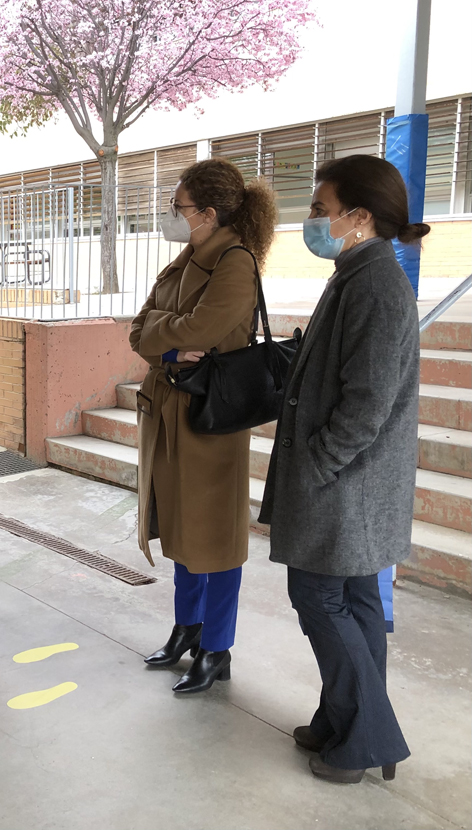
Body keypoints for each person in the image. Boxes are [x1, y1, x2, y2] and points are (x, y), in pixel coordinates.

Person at [259, 154, 427, 784]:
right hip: (349, 483)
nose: (312, 221)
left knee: (320, 597)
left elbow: (369, 402)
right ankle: (345, 721)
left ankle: (364, 736)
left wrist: (322, 464)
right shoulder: (358, 272)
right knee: (353, 602)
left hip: (347, 485)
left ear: (359, 217)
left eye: (320, 210)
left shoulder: (376, 284)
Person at [129, 159, 278, 693]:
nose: (173, 215)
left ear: (208, 213)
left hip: (209, 417)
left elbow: (203, 330)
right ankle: (186, 628)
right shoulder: (188, 256)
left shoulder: (233, 262)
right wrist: (169, 343)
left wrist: (160, 338)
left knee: (215, 538)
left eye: (180, 207)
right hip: (170, 408)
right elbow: (137, 329)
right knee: (181, 529)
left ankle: (217, 648)